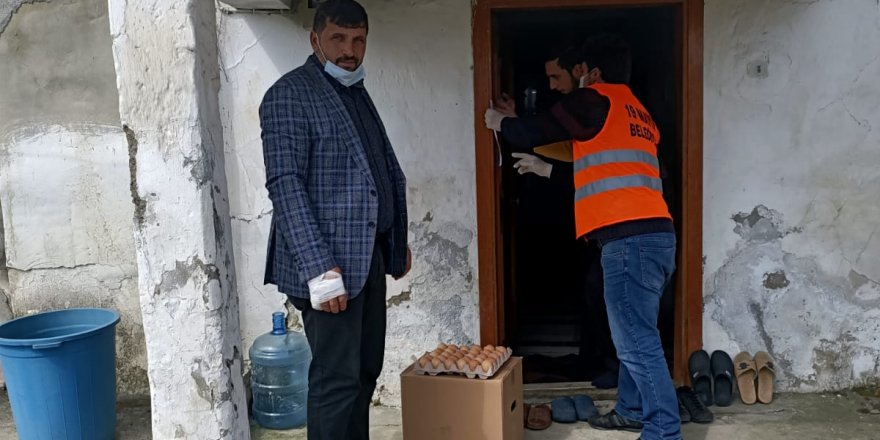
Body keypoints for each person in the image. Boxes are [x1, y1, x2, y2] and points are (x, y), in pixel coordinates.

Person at [486, 34, 681, 440]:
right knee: (635, 332)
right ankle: (630, 409)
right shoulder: (636, 112)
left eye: (578, 73)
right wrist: (544, 163)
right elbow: (585, 153)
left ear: (590, 72)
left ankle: (663, 430)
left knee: (636, 342)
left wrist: (501, 123)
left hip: (630, 241)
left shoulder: (594, 99)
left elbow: (539, 129)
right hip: (654, 235)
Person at [259, 1, 410, 438]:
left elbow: (375, 172)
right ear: (315, 40)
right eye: (338, 39)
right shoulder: (289, 95)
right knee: (336, 382)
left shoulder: (353, 92)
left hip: (369, 259)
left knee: (364, 373)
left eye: (358, 39)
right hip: (329, 268)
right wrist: (319, 269)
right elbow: (286, 185)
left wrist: (395, 240)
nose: (350, 50)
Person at [499, 44, 621, 388]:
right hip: (592, 220)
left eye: (556, 76)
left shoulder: (593, 105)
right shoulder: (592, 108)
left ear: (581, 69)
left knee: (603, 295)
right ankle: (594, 362)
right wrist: (514, 123)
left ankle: (611, 371)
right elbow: (552, 141)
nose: (551, 85)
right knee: (591, 293)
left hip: (616, 222)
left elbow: (546, 136)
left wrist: (507, 124)